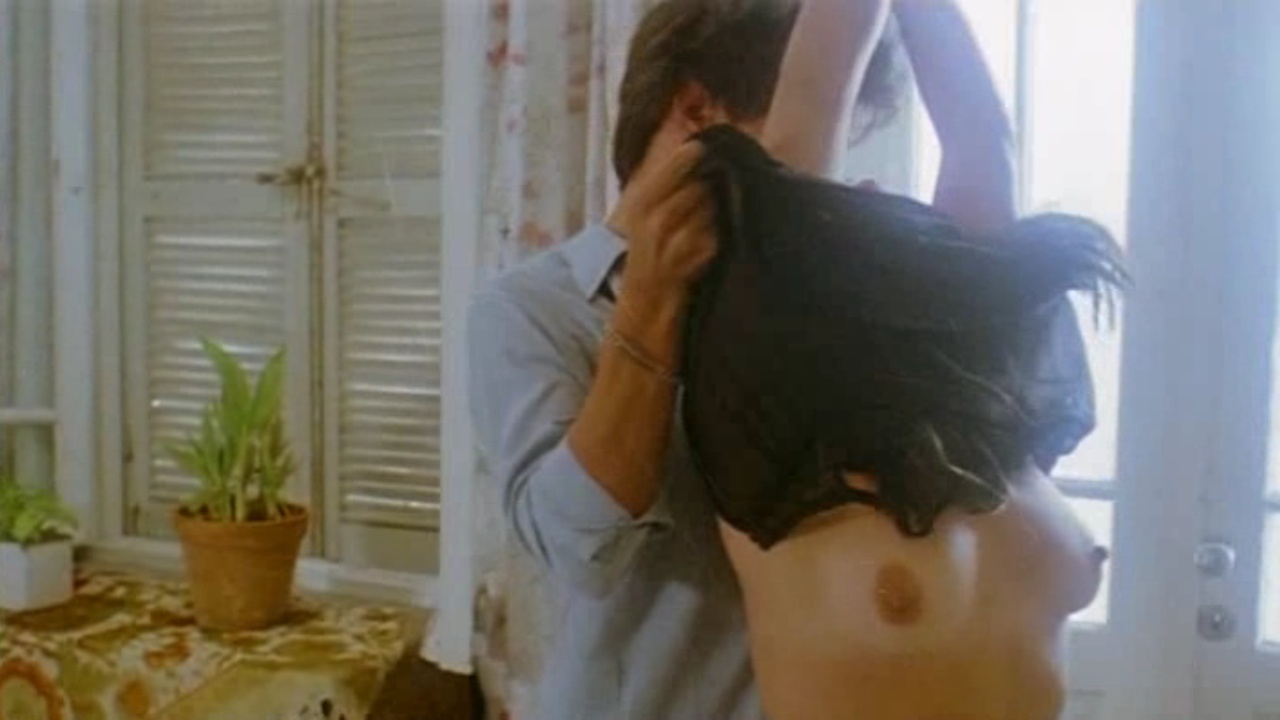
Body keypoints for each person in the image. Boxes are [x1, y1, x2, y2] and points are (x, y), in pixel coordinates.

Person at [466, 1, 901, 717]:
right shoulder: (530, 310)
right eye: (807, 133)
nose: (824, 181)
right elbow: (582, 550)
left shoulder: (818, 304)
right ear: (698, 111)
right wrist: (651, 301)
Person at [682, 2, 1116, 719]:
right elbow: (809, 111)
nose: (875, 196)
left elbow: (984, 144)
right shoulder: (778, 428)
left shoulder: (992, 406)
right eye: (848, 202)